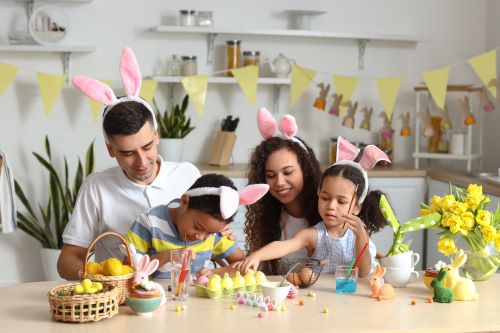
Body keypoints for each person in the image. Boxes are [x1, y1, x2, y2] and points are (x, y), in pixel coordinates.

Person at [57, 48, 201, 280]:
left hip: (184, 294)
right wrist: (95, 277)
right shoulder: (97, 187)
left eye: (146, 147)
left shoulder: (188, 175)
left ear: (157, 135)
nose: (141, 161)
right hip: (124, 301)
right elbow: (67, 260)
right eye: (127, 153)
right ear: (110, 150)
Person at [237, 137, 390, 277]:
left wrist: (362, 237)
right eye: (325, 198)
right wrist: (257, 255)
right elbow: (284, 246)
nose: (331, 206)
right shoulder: (314, 234)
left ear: (356, 207)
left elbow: (363, 273)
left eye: (341, 202)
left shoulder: (358, 235)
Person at [125, 173, 269, 278]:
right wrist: (167, 256)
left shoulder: (216, 232)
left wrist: (214, 273)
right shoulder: (149, 223)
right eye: (198, 227)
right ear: (184, 201)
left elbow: (244, 266)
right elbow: (126, 270)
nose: (200, 237)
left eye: (209, 233)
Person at [244, 108, 322, 274]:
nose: (279, 182)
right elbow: (252, 266)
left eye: (288, 172)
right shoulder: (268, 218)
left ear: (306, 170)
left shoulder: (329, 211)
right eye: (271, 175)